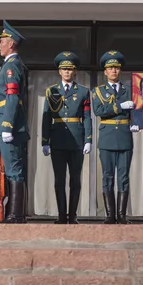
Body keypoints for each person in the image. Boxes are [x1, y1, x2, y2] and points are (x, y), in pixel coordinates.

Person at [41, 51, 92, 224]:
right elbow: (46, 117)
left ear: (75, 71)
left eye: (70, 69)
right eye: (64, 69)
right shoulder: (51, 91)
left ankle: (73, 215)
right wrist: (45, 141)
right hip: (57, 140)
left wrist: (88, 140)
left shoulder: (83, 91)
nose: (67, 72)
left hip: (77, 141)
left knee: (75, 180)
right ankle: (62, 215)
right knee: (59, 180)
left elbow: (87, 117)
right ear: (59, 71)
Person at [91, 51, 138, 224]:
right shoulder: (98, 91)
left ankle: (122, 215)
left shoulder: (130, 90)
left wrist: (135, 122)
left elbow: (137, 110)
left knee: (123, 177)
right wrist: (119, 107)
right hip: (107, 137)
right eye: (110, 68)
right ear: (105, 72)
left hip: (125, 136)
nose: (114, 70)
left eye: (116, 68)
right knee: (107, 176)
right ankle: (110, 215)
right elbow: (99, 111)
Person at [0, 20, 29, 223]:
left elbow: (13, 97)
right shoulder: (10, 65)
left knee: (14, 170)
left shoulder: (12, 66)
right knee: (11, 169)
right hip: (9, 124)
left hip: (11, 126)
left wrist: (7, 125)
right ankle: (14, 213)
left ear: (11, 43)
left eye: (2, 41)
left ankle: (16, 215)